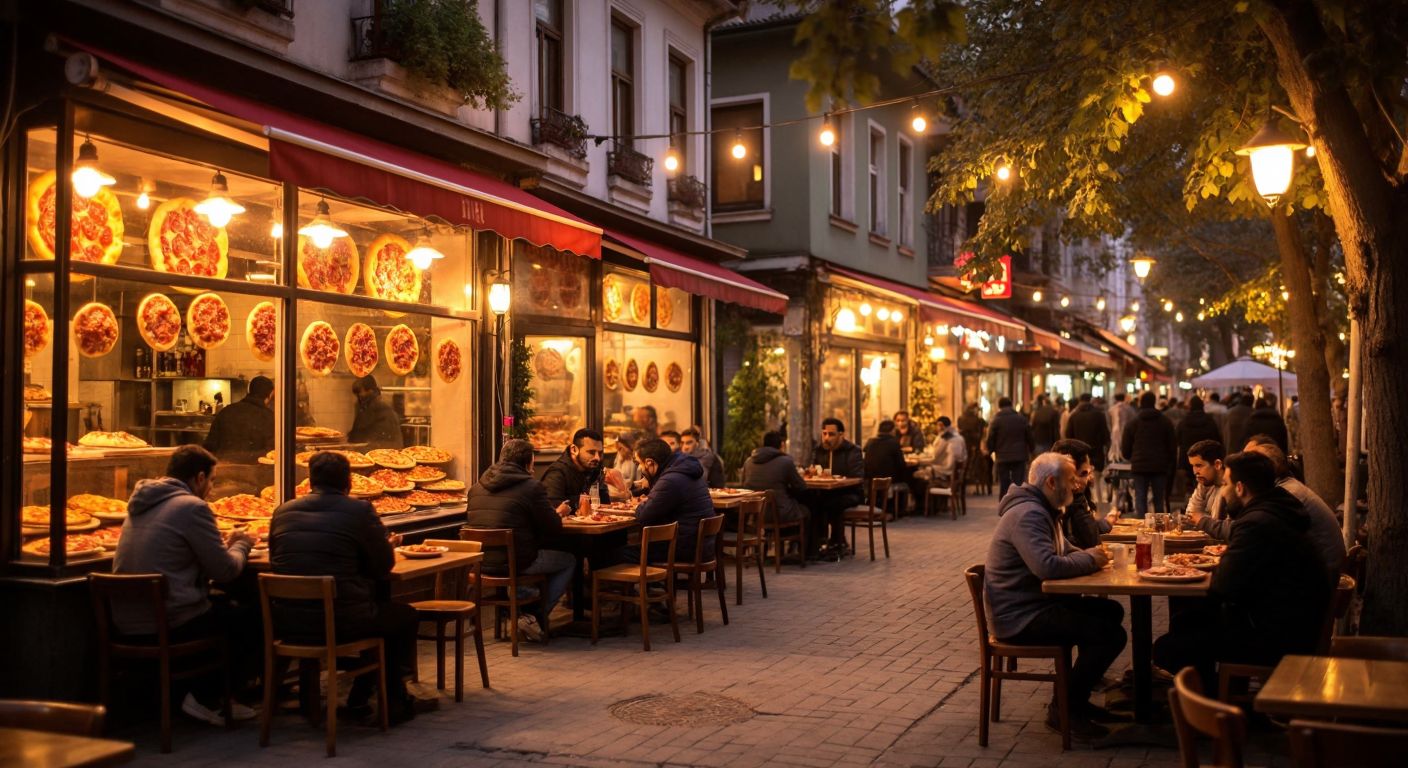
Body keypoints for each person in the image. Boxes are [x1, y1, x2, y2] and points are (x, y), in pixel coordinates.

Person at [1153, 451, 1332, 695]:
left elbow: (1223, 586)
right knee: (1186, 621)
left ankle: (1216, 705)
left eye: (1225, 484)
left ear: (1240, 488)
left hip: (1274, 634)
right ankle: (1219, 696)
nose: (1223, 490)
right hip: (1292, 623)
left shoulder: (1256, 522)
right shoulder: (1280, 510)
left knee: (1167, 647)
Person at [269, 452, 421, 724]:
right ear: (348, 482)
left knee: (375, 612)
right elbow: (383, 566)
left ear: (310, 481)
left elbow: (276, 560)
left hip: (286, 622)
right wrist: (386, 546)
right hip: (343, 621)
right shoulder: (359, 511)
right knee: (403, 616)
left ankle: (350, 696)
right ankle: (391, 698)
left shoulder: (282, 511)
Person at [114, 445, 258, 726]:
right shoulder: (192, 507)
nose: (212, 490)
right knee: (253, 617)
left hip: (124, 621)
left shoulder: (139, 504)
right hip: (169, 621)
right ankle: (210, 697)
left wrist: (220, 548)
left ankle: (208, 693)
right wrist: (242, 543)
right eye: (213, 481)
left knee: (225, 607)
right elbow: (226, 571)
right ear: (200, 478)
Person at [984, 452, 1124, 740]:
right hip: (1021, 616)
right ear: (1050, 481)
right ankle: (1065, 710)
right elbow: (1046, 566)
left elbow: (1065, 550)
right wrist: (1092, 560)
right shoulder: (1029, 514)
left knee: (1110, 613)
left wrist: (1091, 555)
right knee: (1110, 635)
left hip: (1035, 605)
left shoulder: (1043, 508)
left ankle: (1075, 701)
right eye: (1070, 481)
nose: (1075, 487)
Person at [464, 439, 577, 642]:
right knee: (569, 560)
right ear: (528, 463)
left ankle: (521, 610)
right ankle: (534, 613)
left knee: (525, 552)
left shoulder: (475, 488)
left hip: (481, 563)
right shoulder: (532, 487)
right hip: (517, 562)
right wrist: (558, 513)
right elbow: (553, 528)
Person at [1243, 437, 1345, 578]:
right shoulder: (1286, 487)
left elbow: (1260, 530)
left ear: (1269, 468)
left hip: (1321, 576)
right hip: (1320, 568)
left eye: (1254, 465)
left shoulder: (1288, 493)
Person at [623, 438, 715, 565]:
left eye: (639, 463)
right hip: (700, 545)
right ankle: (651, 582)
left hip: (683, 547)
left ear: (649, 462)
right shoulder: (684, 469)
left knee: (614, 553)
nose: (639, 468)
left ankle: (606, 583)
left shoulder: (670, 480)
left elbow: (643, 516)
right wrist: (651, 485)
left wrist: (639, 504)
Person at [741, 431, 815, 559]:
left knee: (789, 505)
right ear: (781, 444)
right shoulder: (785, 461)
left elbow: (745, 486)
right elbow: (801, 486)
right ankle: (807, 554)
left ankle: (782, 549)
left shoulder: (749, 462)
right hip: (781, 514)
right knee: (808, 511)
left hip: (756, 515)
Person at [809, 418, 865, 554]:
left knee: (833, 503)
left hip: (850, 493)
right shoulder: (819, 450)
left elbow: (857, 476)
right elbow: (814, 470)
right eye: (824, 434)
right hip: (825, 492)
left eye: (831, 434)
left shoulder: (853, 451)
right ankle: (816, 542)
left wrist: (837, 479)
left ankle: (837, 542)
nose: (827, 438)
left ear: (841, 435)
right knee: (811, 502)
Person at [1051, 438, 1115, 549]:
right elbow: (1091, 540)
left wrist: (1106, 523)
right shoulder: (1041, 510)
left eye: (1090, 471)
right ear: (1068, 474)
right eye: (1083, 474)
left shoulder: (1071, 499)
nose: (1088, 479)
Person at [1121, 392, 1176, 518]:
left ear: (1141, 403)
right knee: (1159, 499)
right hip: (1160, 466)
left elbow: (1125, 450)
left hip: (1139, 467)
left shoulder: (1132, 423)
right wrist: (1168, 461)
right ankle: (1160, 528)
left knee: (1140, 498)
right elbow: (1172, 446)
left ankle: (1142, 526)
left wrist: (1133, 458)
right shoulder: (1165, 421)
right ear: (1154, 402)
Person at [203, 376, 274, 463]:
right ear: (270, 394)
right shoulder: (269, 417)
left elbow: (209, 446)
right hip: (255, 471)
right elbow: (272, 451)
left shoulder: (226, 411)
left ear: (249, 391)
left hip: (224, 468)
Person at [540, 428, 611, 510]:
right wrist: (581, 500)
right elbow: (551, 506)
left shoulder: (595, 469)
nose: (597, 458)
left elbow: (605, 504)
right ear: (574, 450)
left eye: (600, 453)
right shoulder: (557, 472)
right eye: (591, 452)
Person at [1064, 393, 1110, 502]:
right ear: (1091, 400)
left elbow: (1068, 436)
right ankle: (1098, 506)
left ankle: (1084, 506)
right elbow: (1105, 436)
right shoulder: (1099, 415)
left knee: (1080, 482)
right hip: (1097, 453)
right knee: (1097, 482)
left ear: (1080, 401)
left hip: (1079, 456)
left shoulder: (1074, 416)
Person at [987, 396, 1034, 501]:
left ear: (999, 406)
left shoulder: (996, 420)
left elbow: (991, 438)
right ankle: (1017, 502)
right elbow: (1029, 436)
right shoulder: (1021, 419)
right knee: (1018, 483)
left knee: (1004, 483)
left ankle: (1004, 504)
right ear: (1011, 405)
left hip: (1002, 456)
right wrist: (1031, 449)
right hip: (1019, 455)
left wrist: (991, 450)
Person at [1184, 440, 1231, 539]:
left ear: (1217, 464)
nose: (1195, 472)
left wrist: (1203, 520)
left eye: (1199, 466)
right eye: (1193, 466)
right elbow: (1191, 515)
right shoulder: (1204, 482)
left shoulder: (1232, 488)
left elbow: (1227, 529)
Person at [1175, 397, 1223, 489]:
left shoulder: (1184, 421)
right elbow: (1217, 439)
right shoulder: (1210, 420)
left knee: (1190, 483)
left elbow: (1177, 439)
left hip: (1188, 458)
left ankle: (1192, 500)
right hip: (1206, 457)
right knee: (1206, 484)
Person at [347, 375, 403, 449]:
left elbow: (367, 436)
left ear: (370, 390)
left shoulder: (378, 408)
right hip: (380, 450)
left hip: (384, 452)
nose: (358, 397)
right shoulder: (367, 406)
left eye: (359, 393)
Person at [862, 419, 907, 493]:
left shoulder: (870, 442)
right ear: (892, 430)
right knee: (908, 482)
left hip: (871, 482)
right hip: (889, 482)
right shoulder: (894, 443)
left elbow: (864, 459)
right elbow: (901, 465)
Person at [957, 404, 989, 494]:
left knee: (965, 466)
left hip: (964, 447)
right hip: (975, 447)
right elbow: (984, 430)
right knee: (979, 465)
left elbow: (960, 429)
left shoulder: (961, 419)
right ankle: (979, 482)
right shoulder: (978, 420)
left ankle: (962, 484)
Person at [1107, 393, 1137, 462]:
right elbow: (1133, 420)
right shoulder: (1129, 408)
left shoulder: (1111, 409)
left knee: (1115, 447)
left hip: (1114, 432)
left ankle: (1116, 459)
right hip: (1127, 431)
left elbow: (1108, 422)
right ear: (1124, 398)